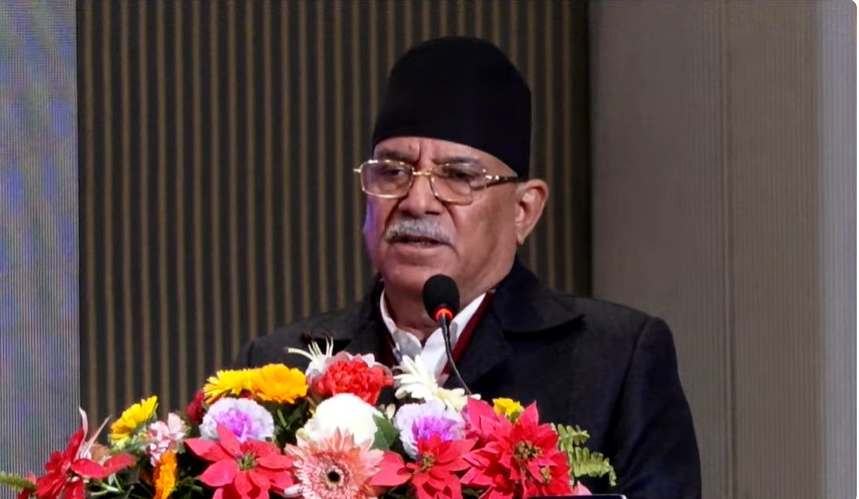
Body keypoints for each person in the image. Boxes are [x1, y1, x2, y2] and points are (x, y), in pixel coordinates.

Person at [237, 36, 701, 498]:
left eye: (458, 177)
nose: (417, 201)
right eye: (394, 172)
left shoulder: (616, 361)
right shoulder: (278, 369)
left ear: (524, 210)